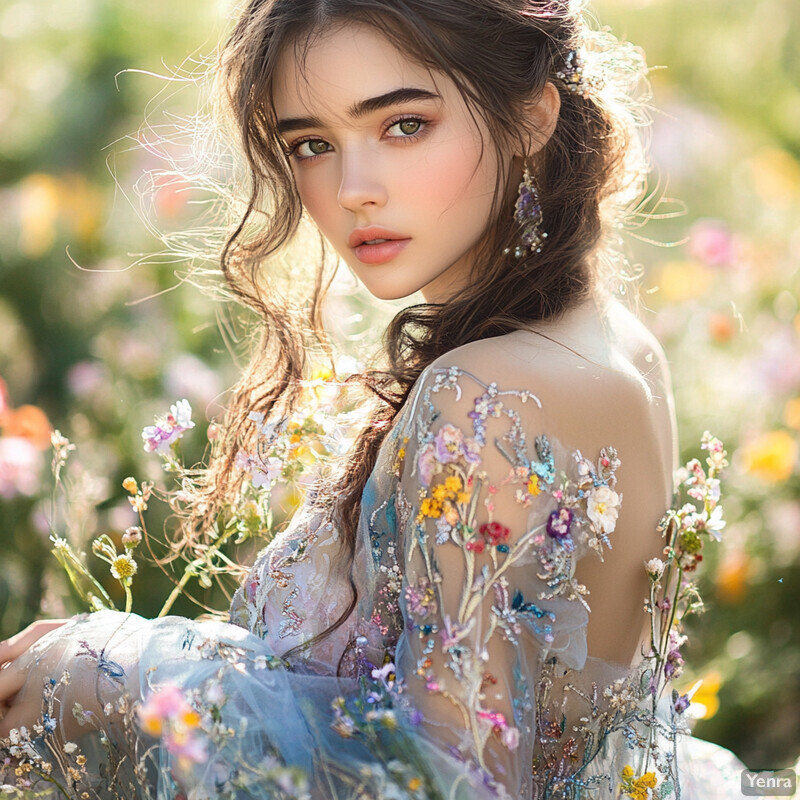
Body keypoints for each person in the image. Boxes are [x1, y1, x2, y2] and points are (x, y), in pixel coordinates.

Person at [0, 0, 749, 797]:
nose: (353, 189)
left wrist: (115, 677)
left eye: (403, 126)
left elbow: (446, 783)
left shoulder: (485, 393)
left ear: (529, 117)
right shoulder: (613, 341)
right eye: (313, 144)